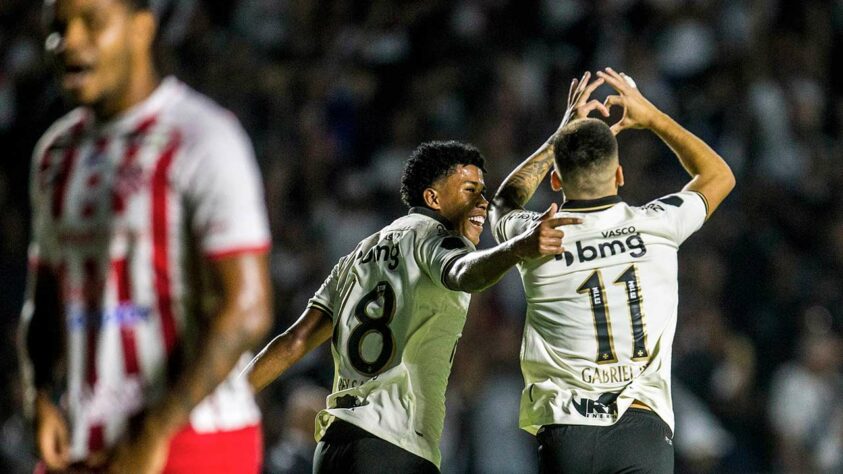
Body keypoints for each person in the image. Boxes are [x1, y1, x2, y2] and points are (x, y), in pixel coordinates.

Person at [18, 0, 273, 472]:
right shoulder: (55, 154)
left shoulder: (204, 137)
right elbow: (45, 302)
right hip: (84, 442)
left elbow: (249, 307)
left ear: (142, 28)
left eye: (92, 23)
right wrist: (39, 397)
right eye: (58, 28)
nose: (69, 41)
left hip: (193, 440)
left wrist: (156, 430)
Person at [246, 139, 583, 473]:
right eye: (469, 190)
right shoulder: (437, 239)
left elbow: (295, 341)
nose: (482, 203)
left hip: (335, 446)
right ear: (433, 197)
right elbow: (464, 273)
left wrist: (230, 396)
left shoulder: (355, 257)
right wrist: (517, 249)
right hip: (393, 446)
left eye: (482, 192)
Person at [489, 68, 735, 473]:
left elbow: (502, 204)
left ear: (554, 179)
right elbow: (718, 176)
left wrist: (558, 137)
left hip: (568, 429)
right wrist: (653, 117)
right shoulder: (658, 223)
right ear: (619, 175)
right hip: (642, 429)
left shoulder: (535, 237)